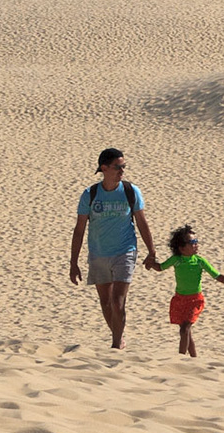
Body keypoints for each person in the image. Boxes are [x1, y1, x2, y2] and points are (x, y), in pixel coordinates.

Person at [68, 148, 160, 349]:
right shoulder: (90, 194)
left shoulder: (131, 191)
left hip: (125, 250)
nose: (122, 171)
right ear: (104, 168)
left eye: (123, 167)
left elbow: (142, 223)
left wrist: (152, 251)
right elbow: (79, 229)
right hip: (99, 253)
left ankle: (116, 345)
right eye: (118, 167)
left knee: (118, 300)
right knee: (106, 303)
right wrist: (73, 263)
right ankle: (118, 336)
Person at [155, 224, 224, 357]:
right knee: (186, 331)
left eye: (196, 242)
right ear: (182, 248)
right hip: (179, 299)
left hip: (195, 300)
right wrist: (151, 263)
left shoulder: (200, 261)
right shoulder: (176, 260)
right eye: (192, 242)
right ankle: (193, 358)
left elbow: (217, 275)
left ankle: (180, 359)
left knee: (185, 329)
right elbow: (160, 267)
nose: (196, 245)